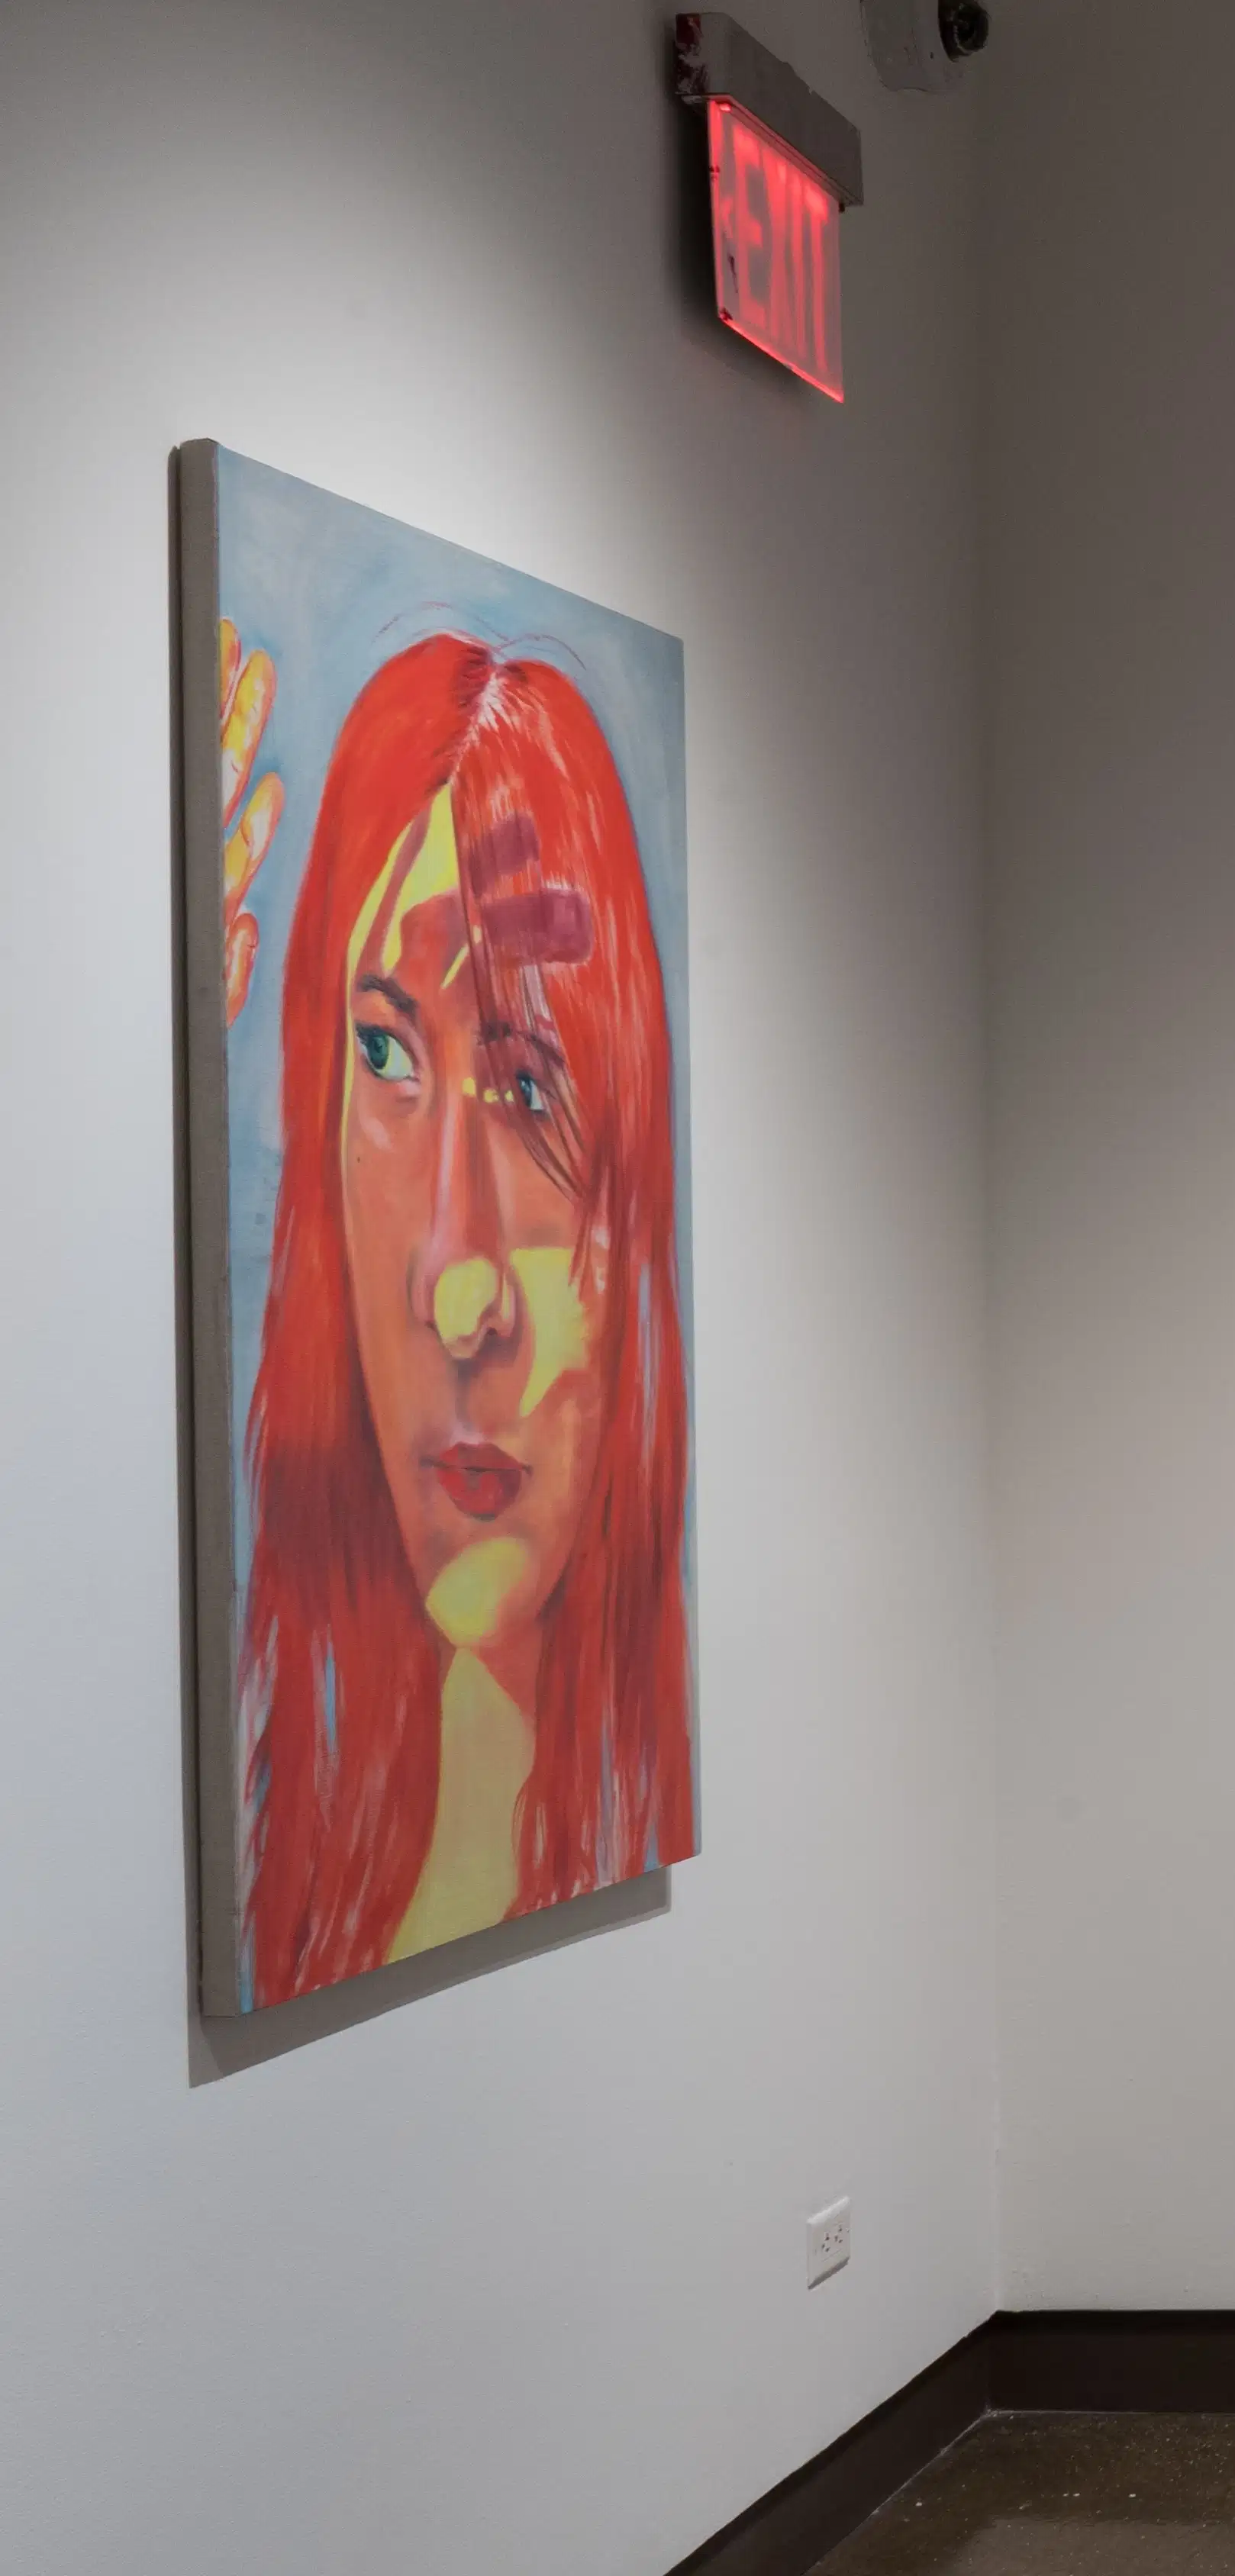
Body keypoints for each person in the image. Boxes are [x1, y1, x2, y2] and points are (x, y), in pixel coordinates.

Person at [228, 632, 692, 2006]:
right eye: (383, 1056)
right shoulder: (287, 1831)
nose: (459, 1287)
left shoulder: (631, 1800)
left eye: (532, 1081)